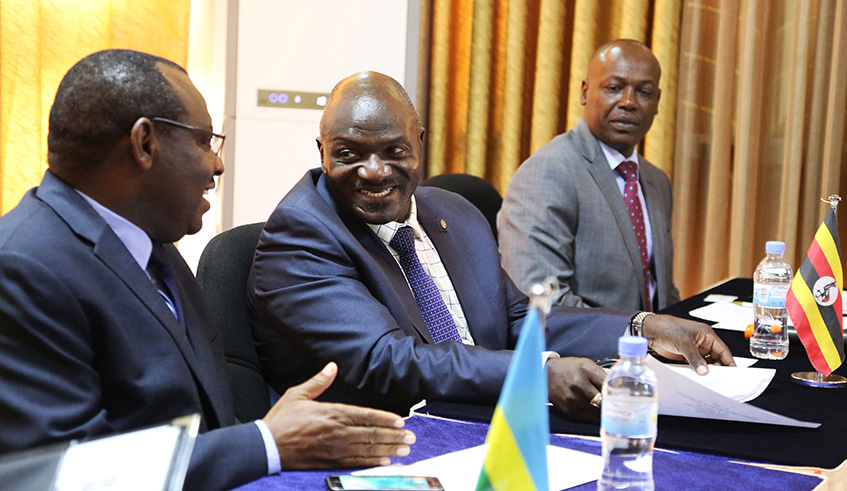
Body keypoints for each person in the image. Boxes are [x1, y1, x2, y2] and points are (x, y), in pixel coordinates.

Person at [0, 50, 414, 491]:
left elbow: (200, 422)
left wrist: (271, 433)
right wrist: (266, 442)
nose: (217, 164)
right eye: (204, 141)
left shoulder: (158, 247)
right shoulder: (23, 267)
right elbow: (57, 474)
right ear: (144, 144)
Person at [249, 70, 733, 423]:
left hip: (481, 420)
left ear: (419, 142)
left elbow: (520, 321)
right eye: (349, 154)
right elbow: (389, 361)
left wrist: (642, 328)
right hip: (377, 444)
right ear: (322, 151)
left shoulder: (453, 212)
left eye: (394, 151)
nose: (374, 171)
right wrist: (537, 373)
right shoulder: (301, 234)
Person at [498, 39, 681, 311]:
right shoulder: (549, 172)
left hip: (652, 348)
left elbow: (660, 292)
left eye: (644, 91)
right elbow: (542, 301)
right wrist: (644, 332)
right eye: (614, 88)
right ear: (585, 92)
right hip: (589, 349)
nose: (628, 102)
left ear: (657, 102)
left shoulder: (656, 181)